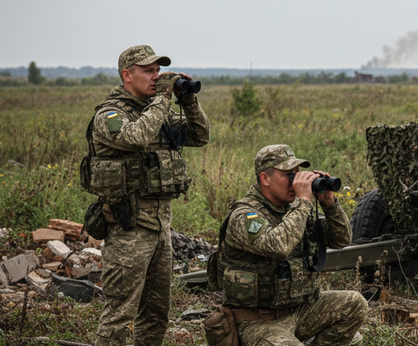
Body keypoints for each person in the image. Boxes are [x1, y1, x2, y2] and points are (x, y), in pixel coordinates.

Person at [90, 45, 210, 346]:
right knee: (119, 314)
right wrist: (163, 99)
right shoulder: (111, 114)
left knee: (156, 313)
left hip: (160, 227)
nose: (156, 77)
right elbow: (136, 137)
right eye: (148, 71)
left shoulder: (156, 111)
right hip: (129, 228)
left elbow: (199, 136)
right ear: (127, 75)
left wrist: (189, 101)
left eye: (158, 71)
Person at [214, 144, 368, 346]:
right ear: (265, 179)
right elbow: (277, 247)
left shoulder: (295, 210)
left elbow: (341, 240)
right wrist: (304, 202)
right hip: (258, 321)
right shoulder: (245, 215)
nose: (295, 182)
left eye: (296, 174)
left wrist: (329, 204)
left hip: (300, 311)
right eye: (288, 175)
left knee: (354, 303)